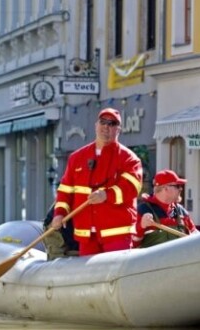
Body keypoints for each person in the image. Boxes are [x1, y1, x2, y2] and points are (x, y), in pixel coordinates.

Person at [51, 108, 143, 256]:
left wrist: (106, 195)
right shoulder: (77, 158)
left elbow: (131, 188)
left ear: (118, 129)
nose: (106, 126)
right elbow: (65, 191)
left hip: (116, 233)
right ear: (96, 125)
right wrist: (59, 214)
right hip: (86, 234)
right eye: (103, 122)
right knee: (89, 278)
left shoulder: (129, 159)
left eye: (112, 123)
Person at [133, 169, 200, 248]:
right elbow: (132, 244)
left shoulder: (180, 210)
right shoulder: (142, 210)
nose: (181, 189)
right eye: (177, 186)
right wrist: (141, 226)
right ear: (165, 188)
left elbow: (195, 234)